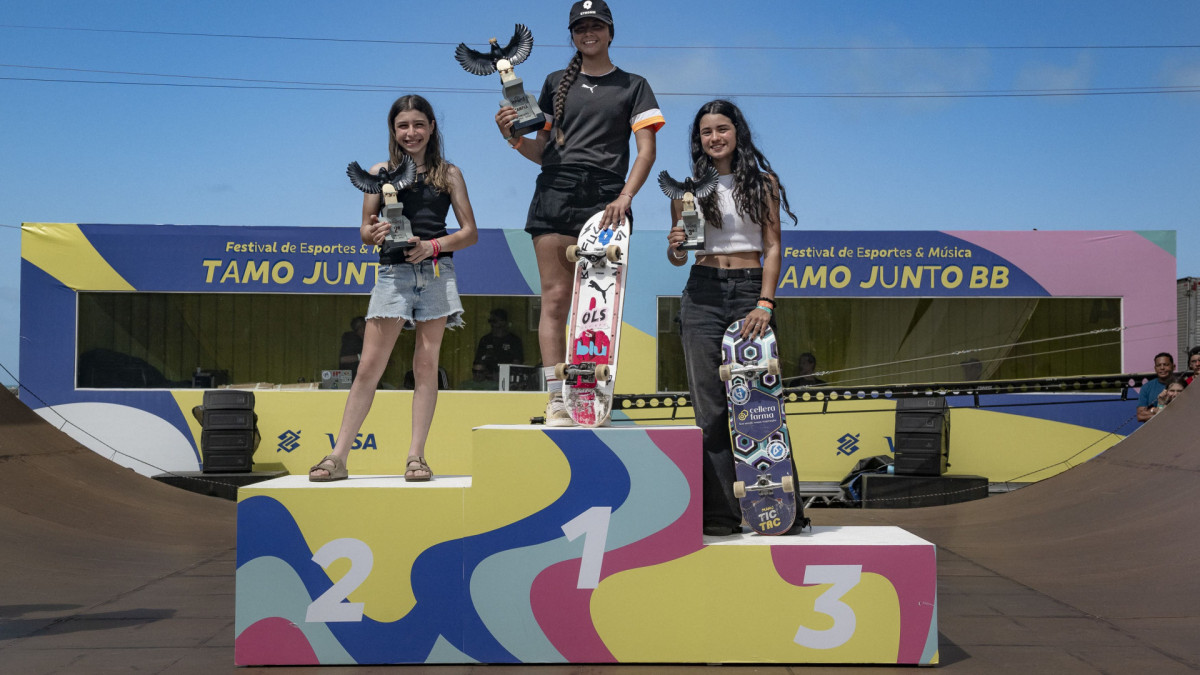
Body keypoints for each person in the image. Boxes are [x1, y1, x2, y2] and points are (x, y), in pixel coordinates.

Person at [494, 0, 663, 426]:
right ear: (572, 35)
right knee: (554, 299)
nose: (589, 33)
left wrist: (626, 196)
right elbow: (545, 154)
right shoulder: (555, 82)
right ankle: (556, 400)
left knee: (596, 304)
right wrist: (512, 139)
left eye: (596, 26)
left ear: (610, 32)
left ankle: (588, 393)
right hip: (556, 190)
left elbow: (647, 151)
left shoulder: (634, 84)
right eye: (580, 27)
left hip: (608, 196)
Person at [310, 95, 478, 482]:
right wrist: (376, 231)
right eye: (403, 126)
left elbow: (470, 233)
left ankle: (416, 457)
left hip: (436, 273)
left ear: (431, 127)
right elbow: (366, 231)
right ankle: (338, 457)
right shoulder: (379, 171)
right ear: (394, 130)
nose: (411, 133)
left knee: (425, 366)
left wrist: (432, 246)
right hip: (393, 276)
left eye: (418, 124)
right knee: (369, 366)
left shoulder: (449, 173)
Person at [665, 99, 798, 536]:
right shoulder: (687, 191)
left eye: (722, 128)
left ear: (737, 132)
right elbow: (679, 257)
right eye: (706, 131)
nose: (715, 137)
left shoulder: (763, 183)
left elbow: (773, 246)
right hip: (702, 294)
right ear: (697, 140)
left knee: (760, 406)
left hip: (749, 293)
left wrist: (765, 302)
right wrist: (675, 244)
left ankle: (783, 511)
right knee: (710, 411)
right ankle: (720, 515)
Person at [1136, 352, 1175, 423]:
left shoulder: (1181, 384)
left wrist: (1153, 410)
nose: (1162, 368)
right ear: (1155, 368)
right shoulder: (1146, 387)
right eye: (1158, 365)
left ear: (1173, 367)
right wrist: (1161, 412)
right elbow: (1141, 416)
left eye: (1166, 365)